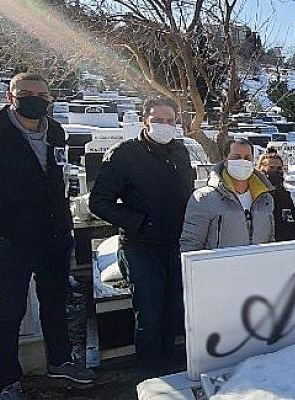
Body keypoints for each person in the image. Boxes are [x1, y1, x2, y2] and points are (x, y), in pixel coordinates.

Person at [0, 73, 95, 399]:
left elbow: (56, 180)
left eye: (42, 94)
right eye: (26, 93)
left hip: (53, 236)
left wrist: (65, 222)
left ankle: (60, 361)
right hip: (8, 239)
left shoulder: (55, 131)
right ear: (11, 96)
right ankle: (7, 381)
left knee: (54, 302)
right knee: (9, 311)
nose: (35, 99)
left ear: (50, 99)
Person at [89, 98, 194, 376]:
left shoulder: (181, 153)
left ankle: (169, 371)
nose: (165, 125)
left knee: (174, 313)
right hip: (141, 246)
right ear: (144, 120)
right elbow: (99, 201)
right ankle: (149, 376)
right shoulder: (124, 154)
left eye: (170, 120)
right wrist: (139, 222)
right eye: (158, 120)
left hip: (176, 245)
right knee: (149, 315)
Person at [180, 138, 275, 251]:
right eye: (237, 157)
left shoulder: (265, 199)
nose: (243, 161)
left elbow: (270, 241)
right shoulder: (204, 198)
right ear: (225, 160)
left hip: (256, 266)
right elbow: (191, 244)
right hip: (219, 267)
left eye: (247, 158)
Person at [257, 152, 295, 241]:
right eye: (271, 168)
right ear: (261, 169)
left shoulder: (285, 197)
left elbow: (292, 225)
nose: (276, 171)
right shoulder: (255, 195)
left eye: (279, 168)